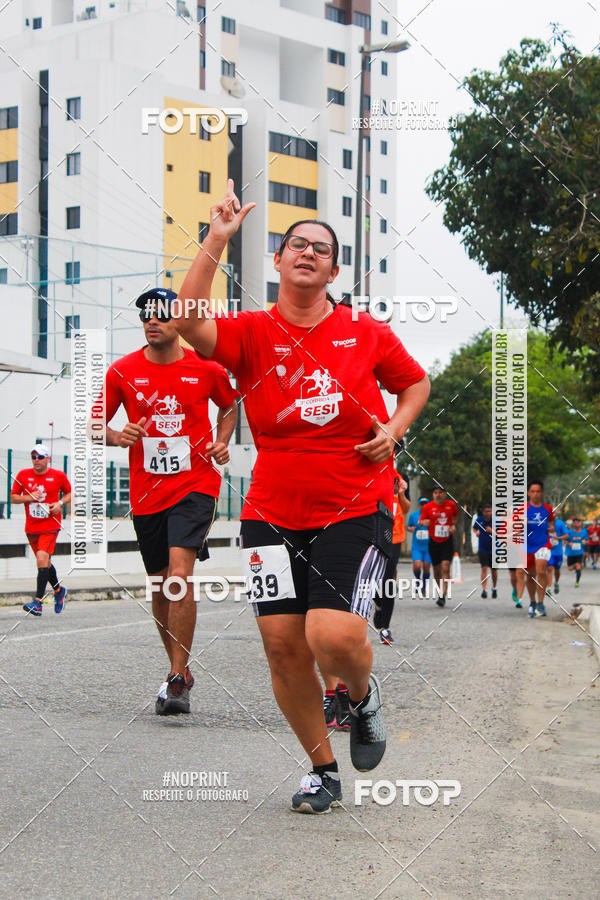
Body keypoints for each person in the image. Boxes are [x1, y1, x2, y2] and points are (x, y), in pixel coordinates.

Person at [174, 179, 430, 813]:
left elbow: (415, 384)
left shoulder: (364, 333)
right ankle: (322, 768)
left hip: (354, 504)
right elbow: (186, 318)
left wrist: (394, 431)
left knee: (332, 636)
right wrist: (217, 238)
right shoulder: (251, 333)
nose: (307, 252)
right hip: (269, 512)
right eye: (296, 244)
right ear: (282, 260)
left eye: (321, 247)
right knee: (283, 645)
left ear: (334, 268)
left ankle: (363, 695)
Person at [94, 287, 238, 715]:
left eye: (160, 315)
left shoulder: (206, 368)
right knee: (159, 582)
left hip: (196, 483)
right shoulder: (123, 371)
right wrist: (117, 436)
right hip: (147, 490)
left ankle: (177, 677)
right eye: (145, 316)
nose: (152, 321)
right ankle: (180, 668)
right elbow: (95, 423)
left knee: (179, 572)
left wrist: (221, 440)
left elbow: (230, 408)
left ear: (180, 321)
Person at [11, 444, 71, 616]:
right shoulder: (23, 475)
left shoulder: (58, 476)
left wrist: (59, 504)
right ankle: (59, 590)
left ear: (48, 459)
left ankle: (38, 602)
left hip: (50, 526)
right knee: (44, 562)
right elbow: (14, 497)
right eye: (34, 457)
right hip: (31, 527)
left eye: (40, 457)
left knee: (41, 557)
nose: (36, 460)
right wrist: (29, 497)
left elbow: (69, 493)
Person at [373, 473, 410, 645]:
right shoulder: (378, 476)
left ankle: (385, 628)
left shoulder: (401, 480)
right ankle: (378, 603)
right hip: (376, 537)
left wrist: (400, 492)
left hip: (395, 539)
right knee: (372, 579)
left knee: (389, 581)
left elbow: (407, 507)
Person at [419, 485, 459, 608]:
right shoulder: (428, 507)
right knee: (436, 570)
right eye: (436, 492)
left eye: (440, 492)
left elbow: (455, 517)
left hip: (447, 540)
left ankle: (443, 595)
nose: (438, 495)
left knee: (446, 567)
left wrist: (453, 526)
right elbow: (421, 521)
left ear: (445, 494)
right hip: (434, 541)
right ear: (433, 494)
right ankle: (440, 590)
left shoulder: (451, 505)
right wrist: (425, 522)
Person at [521, 480, 555, 618]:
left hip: (543, 544)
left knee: (541, 571)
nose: (535, 494)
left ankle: (541, 603)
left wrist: (551, 528)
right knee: (530, 576)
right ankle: (532, 602)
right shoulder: (522, 509)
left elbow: (551, 522)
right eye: (533, 491)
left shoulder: (547, 509)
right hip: (527, 546)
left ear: (542, 493)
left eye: (538, 491)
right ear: (529, 493)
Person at [472, 503, 497, 599]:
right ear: (483, 512)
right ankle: (484, 589)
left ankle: (494, 587)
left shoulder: (495, 521)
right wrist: (476, 532)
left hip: (494, 548)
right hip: (482, 548)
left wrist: (492, 531)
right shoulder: (479, 520)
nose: (488, 513)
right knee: (484, 568)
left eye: (490, 511)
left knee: (494, 570)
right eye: (486, 511)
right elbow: (474, 528)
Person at [407, 496, 431, 595]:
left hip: (428, 547)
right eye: (422, 504)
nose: (424, 506)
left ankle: (424, 586)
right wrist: (410, 529)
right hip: (417, 546)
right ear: (419, 505)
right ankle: (417, 579)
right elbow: (408, 526)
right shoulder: (414, 515)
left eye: (426, 504)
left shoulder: (431, 515)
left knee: (426, 567)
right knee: (417, 566)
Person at [546, 516, 569, 595]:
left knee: (557, 570)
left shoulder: (560, 523)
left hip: (558, 552)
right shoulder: (544, 522)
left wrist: (558, 538)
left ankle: (556, 582)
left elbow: (567, 535)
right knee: (549, 568)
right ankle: (548, 588)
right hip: (548, 551)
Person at [565, 517, 589, 588]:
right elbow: (565, 540)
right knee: (570, 569)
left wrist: (585, 542)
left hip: (579, 552)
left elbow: (587, 540)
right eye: (574, 522)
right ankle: (577, 566)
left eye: (577, 522)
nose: (576, 524)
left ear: (580, 523)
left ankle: (577, 582)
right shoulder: (569, 532)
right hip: (571, 553)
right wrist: (569, 543)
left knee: (578, 567)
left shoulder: (584, 532)